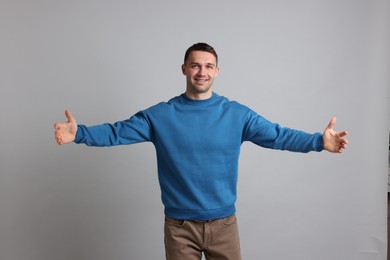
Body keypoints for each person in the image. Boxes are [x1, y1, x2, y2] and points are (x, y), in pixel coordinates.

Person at [54, 42, 348, 260]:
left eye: (208, 66)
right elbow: (117, 132)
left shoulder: (236, 114)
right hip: (179, 228)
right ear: (184, 69)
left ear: (217, 71)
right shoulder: (160, 116)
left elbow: (277, 135)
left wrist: (318, 142)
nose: (201, 72)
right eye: (195, 65)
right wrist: (79, 133)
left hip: (224, 225)